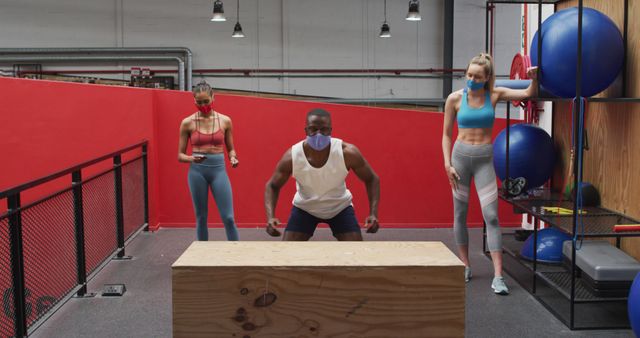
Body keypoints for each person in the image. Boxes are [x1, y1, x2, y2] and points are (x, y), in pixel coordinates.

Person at [442, 53, 537, 294]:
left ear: (487, 78)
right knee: (460, 213)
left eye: (477, 76)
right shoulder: (454, 99)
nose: (471, 79)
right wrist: (447, 164)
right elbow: (446, 135)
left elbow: (527, 94)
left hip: (484, 159)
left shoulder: (494, 95)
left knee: (492, 216)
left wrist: (534, 78)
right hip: (460, 159)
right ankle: (464, 264)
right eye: (469, 74)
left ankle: (498, 276)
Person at [264, 108, 380, 241]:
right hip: (305, 207)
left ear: (330, 130)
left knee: (355, 251)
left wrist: (373, 214)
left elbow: (372, 179)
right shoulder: (293, 156)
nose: (318, 134)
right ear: (306, 130)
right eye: (313, 129)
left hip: (339, 206)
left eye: (324, 129)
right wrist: (270, 217)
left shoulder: (347, 153)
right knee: (288, 254)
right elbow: (272, 185)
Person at [178, 81, 240, 241]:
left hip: (218, 170)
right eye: (199, 102)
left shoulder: (225, 120)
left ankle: (238, 254)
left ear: (213, 98)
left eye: (206, 101)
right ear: (194, 101)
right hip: (197, 172)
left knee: (228, 217)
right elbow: (180, 155)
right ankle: (201, 257)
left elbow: (231, 148)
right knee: (201, 217)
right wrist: (192, 158)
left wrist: (233, 157)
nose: (203, 105)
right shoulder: (187, 123)